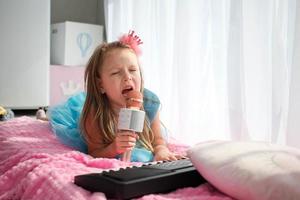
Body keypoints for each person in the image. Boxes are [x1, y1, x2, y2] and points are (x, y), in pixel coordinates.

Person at [47, 31, 181, 162]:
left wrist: (161, 151)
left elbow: (158, 141)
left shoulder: (149, 103)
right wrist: (113, 148)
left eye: (133, 70)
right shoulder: (95, 113)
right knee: (52, 121)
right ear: (101, 85)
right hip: (95, 123)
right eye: (116, 73)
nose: (128, 77)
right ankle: (43, 115)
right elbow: (94, 152)